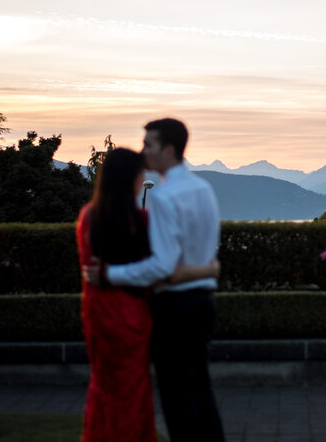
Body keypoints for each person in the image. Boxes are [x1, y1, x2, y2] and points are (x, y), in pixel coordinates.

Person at [85, 118, 224, 442]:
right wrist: (207, 270)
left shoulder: (162, 197)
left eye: (149, 144)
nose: (143, 151)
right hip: (204, 303)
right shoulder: (204, 190)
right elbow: (206, 254)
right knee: (202, 395)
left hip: (174, 306)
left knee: (178, 403)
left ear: (169, 150)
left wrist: (110, 274)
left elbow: (162, 265)